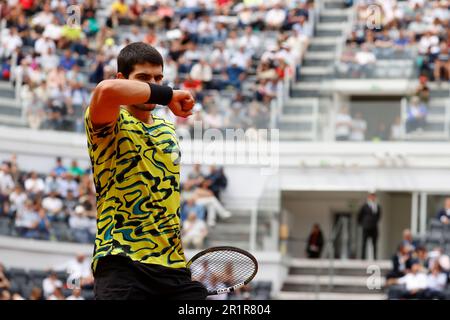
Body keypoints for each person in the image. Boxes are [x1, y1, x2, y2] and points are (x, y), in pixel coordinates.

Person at [85, 42, 207, 300]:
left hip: (173, 267)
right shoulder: (108, 120)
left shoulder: (168, 129)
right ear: (123, 78)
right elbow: (106, 90)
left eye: (158, 78)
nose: (154, 84)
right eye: (143, 78)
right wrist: (166, 94)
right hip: (122, 261)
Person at [358, 191, 382, 260]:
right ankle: (363, 258)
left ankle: (375, 258)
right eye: (371, 196)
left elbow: (379, 216)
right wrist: (363, 224)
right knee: (364, 243)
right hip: (366, 227)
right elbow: (359, 216)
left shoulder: (377, 206)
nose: (373, 198)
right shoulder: (364, 206)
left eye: (374, 196)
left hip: (374, 227)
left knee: (374, 243)